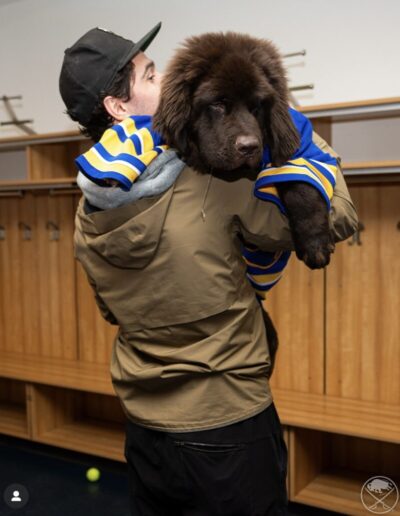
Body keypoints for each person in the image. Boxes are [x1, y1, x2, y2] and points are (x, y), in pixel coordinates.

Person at [59, 23, 358, 516]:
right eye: (152, 76)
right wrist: (294, 135)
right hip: (227, 425)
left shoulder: (89, 206)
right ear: (117, 107)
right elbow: (333, 220)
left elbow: (110, 309)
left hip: (144, 426)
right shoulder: (213, 185)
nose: (169, 80)